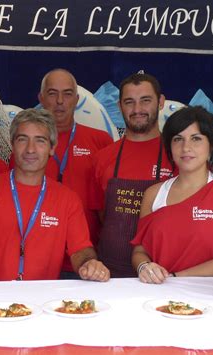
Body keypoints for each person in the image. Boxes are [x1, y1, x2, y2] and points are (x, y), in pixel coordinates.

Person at [0, 108, 110, 288]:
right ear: (12, 145)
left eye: (40, 141)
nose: (30, 149)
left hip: (40, 303)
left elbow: (80, 249)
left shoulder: (68, 199)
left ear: (52, 148)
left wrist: (89, 264)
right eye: (23, 140)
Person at [131, 106, 213, 283]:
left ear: (212, 146)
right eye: (178, 139)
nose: (186, 147)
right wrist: (144, 267)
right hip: (158, 295)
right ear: (169, 147)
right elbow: (139, 251)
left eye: (196, 139)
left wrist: (175, 278)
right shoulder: (153, 194)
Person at [89, 72, 175, 278]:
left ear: (161, 102)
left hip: (162, 273)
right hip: (109, 273)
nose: (137, 110)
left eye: (145, 101)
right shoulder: (103, 158)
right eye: (129, 102)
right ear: (119, 106)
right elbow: (100, 215)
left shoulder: (178, 156)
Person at [38, 68, 114, 278]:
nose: (60, 100)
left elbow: (109, 206)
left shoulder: (101, 142)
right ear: (41, 98)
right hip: (39, 260)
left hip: (87, 260)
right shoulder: (28, 148)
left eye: (67, 93)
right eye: (52, 93)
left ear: (77, 99)